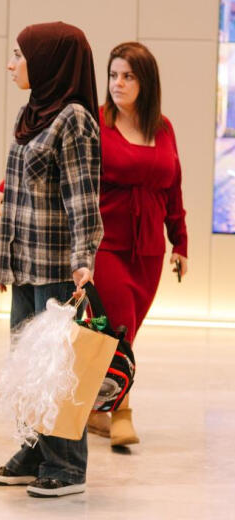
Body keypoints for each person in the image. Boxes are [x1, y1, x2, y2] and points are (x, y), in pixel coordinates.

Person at [0, 22, 103, 498]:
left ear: (50, 61)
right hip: (24, 264)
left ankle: (67, 465)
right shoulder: (34, 111)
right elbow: (18, 189)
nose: (12, 64)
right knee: (27, 368)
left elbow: (82, 198)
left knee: (58, 370)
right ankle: (34, 451)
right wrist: (1, 255)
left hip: (56, 267)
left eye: (20, 55)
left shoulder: (74, 119)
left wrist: (83, 259)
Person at [85, 42, 188, 446]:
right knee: (120, 330)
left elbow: (173, 189)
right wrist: (4, 188)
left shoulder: (163, 128)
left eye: (128, 76)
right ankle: (122, 412)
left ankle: (96, 409)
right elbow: (56, 160)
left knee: (121, 335)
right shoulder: (96, 121)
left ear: (146, 82)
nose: (118, 83)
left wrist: (180, 243)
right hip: (106, 244)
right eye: (113, 75)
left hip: (148, 252)